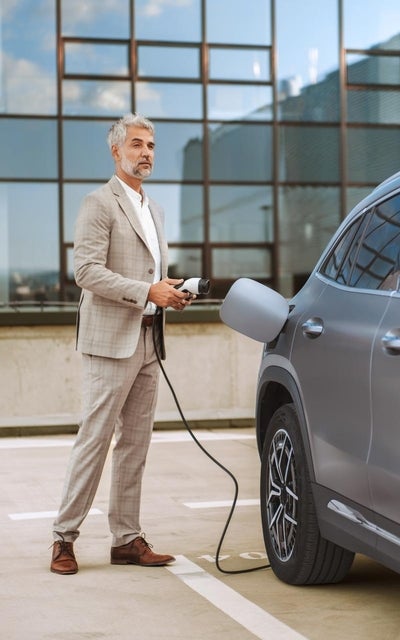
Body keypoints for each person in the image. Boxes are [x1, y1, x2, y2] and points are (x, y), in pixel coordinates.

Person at [50, 113, 193, 575]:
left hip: (150, 341)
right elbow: (86, 272)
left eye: (150, 145)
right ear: (116, 151)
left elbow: (146, 275)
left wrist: (167, 289)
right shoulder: (98, 203)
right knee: (95, 440)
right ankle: (63, 538)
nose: (146, 152)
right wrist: (146, 291)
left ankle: (126, 538)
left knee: (136, 444)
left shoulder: (155, 211)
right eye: (136, 144)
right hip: (111, 342)